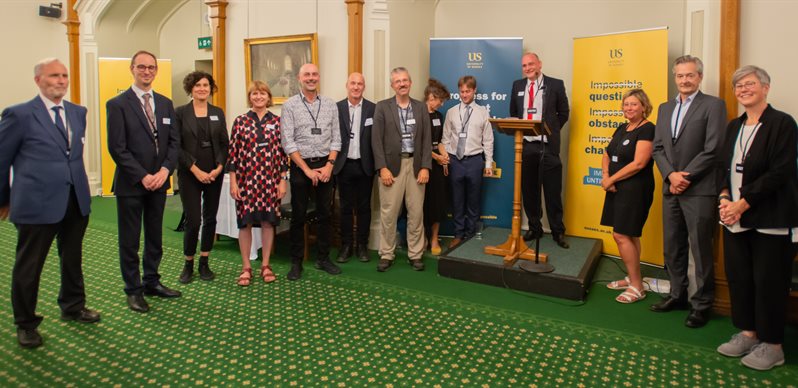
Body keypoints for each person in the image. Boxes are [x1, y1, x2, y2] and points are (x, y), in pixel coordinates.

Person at [0, 58, 100, 348]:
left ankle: (73, 305)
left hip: (74, 200)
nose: (61, 81)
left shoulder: (78, 112)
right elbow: (2, 160)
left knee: (72, 258)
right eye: (54, 75)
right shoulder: (18, 115)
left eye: (65, 76)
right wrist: (4, 200)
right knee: (29, 265)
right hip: (36, 203)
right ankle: (26, 322)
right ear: (38, 81)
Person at [715, 66, 798, 371]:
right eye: (738, 86)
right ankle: (749, 333)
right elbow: (721, 167)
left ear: (766, 87)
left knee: (769, 282)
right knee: (741, 278)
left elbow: (781, 171)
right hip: (735, 219)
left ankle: (773, 345)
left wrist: (743, 204)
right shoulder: (733, 126)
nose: (743, 89)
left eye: (749, 84)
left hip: (770, 218)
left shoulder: (782, 124)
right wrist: (725, 198)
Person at [650, 55, 727, 328]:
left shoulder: (714, 106)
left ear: (699, 77)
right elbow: (658, 147)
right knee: (673, 247)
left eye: (690, 75)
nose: (685, 80)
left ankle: (702, 304)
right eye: (680, 76)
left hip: (699, 189)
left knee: (701, 250)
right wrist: (671, 175)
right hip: (671, 187)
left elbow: (714, 148)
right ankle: (677, 294)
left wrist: (686, 177)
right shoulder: (664, 108)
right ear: (675, 78)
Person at [107, 50, 181, 313]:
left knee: (154, 236)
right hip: (131, 184)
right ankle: (133, 290)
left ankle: (152, 281)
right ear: (132, 69)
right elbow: (117, 148)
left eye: (151, 67)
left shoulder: (165, 103)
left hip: (160, 182)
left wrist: (164, 171)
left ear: (156, 71)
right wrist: (143, 175)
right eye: (142, 67)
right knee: (129, 239)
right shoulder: (117, 104)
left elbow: (173, 142)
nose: (147, 71)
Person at [280, 63, 342, 280]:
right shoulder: (290, 106)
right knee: (298, 217)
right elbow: (287, 141)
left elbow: (337, 138)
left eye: (315, 74)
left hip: (325, 165)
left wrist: (329, 165)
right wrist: (306, 170)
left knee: (325, 214)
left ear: (319, 77)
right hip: (300, 167)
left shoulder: (330, 105)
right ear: (299, 78)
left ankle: (323, 258)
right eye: (307, 74)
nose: (311, 78)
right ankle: (296, 262)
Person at [372, 67, 432, 272]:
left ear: (411, 83)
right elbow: (376, 141)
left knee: (416, 213)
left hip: (415, 166)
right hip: (391, 168)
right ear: (392, 85)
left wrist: (425, 166)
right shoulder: (382, 107)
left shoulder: (421, 108)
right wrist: (382, 168)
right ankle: (386, 253)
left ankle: (415, 254)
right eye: (398, 81)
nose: (402, 84)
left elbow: (426, 140)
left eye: (405, 80)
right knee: (389, 214)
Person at [228, 81, 288, 286]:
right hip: (246, 181)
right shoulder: (240, 121)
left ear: (268, 97)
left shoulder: (278, 121)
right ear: (250, 97)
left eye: (263, 93)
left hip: (269, 182)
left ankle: (265, 264)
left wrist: (282, 181)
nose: (259, 97)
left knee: (267, 222)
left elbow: (282, 155)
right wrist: (233, 182)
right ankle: (246, 267)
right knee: (245, 223)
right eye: (255, 93)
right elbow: (233, 155)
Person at [600, 89, 656, 304]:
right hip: (615, 188)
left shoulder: (648, 129)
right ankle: (633, 277)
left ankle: (637, 287)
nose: (629, 108)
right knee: (630, 235)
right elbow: (606, 153)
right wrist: (606, 175)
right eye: (626, 104)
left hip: (635, 189)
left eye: (634, 104)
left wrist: (612, 180)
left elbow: (639, 163)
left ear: (643, 107)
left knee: (622, 235)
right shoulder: (622, 127)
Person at [509, 52, 570, 249]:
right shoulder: (517, 86)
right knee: (529, 191)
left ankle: (557, 231)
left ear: (540, 64)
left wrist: (550, 131)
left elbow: (564, 113)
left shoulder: (555, 84)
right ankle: (534, 227)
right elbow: (514, 113)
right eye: (524, 65)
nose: (528, 68)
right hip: (526, 146)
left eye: (531, 64)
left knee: (552, 191)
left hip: (548, 146)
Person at [175, 71, 228, 284]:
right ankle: (188, 263)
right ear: (191, 88)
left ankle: (204, 261)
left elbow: (225, 143)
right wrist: (195, 169)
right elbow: (176, 146)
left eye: (206, 85)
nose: (202, 89)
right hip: (190, 174)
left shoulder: (217, 112)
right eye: (198, 85)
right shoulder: (180, 113)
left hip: (214, 172)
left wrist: (219, 167)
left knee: (211, 218)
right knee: (193, 220)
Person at [442, 75, 494, 248]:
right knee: (457, 200)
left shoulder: (482, 112)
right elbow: (446, 138)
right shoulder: (451, 112)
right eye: (462, 91)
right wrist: (448, 159)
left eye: (468, 91)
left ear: (474, 91)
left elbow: (488, 140)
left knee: (473, 200)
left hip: (475, 161)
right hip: (456, 161)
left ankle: (470, 235)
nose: (465, 95)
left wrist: (488, 164)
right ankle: (458, 234)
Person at [333, 72, 376, 263]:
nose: (356, 87)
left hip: (365, 165)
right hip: (344, 165)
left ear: (364, 87)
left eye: (360, 84)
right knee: (345, 208)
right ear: (347, 85)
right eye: (353, 83)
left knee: (364, 208)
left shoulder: (373, 109)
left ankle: (362, 246)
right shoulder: (337, 108)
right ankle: (346, 246)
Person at [422, 79, 450, 255]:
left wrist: (444, 155)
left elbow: (439, 141)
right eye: (440, 100)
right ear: (431, 97)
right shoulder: (418, 113)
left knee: (438, 202)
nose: (442, 104)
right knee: (423, 203)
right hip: (423, 164)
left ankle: (434, 239)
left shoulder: (439, 116)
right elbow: (420, 144)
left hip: (438, 164)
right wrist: (437, 157)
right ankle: (421, 238)